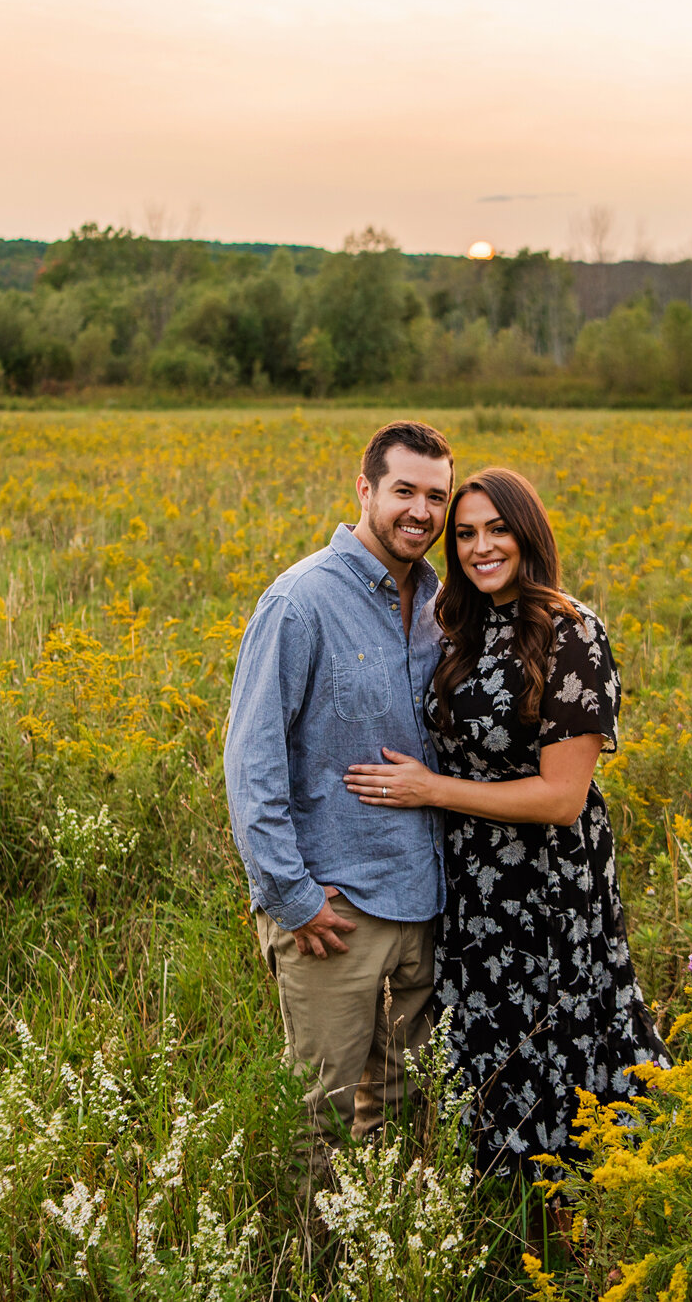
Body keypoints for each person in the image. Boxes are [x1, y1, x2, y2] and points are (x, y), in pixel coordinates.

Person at [344, 466, 667, 1178]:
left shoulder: (571, 632)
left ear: (529, 535)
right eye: (464, 534)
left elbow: (561, 798)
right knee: (486, 1046)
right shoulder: (461, 626)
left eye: (497, 530)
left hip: (548, 887)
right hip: (472, 884)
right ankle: (508, 1212)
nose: (480, 547)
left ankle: (589, 1209)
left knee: (560, 1040)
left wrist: (431, 788)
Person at [224, 421, 454, 1176]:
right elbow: (251, 762)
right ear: (364, 490)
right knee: (315, 1116)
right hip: (334, 913)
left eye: (436, 497)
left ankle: (380, 1259)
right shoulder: (300, 602)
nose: (420, 511)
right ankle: (307, 1274)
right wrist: (292, 898)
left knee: (399, 1108)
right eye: (404, 491)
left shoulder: (439, 607)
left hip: (422, 903)